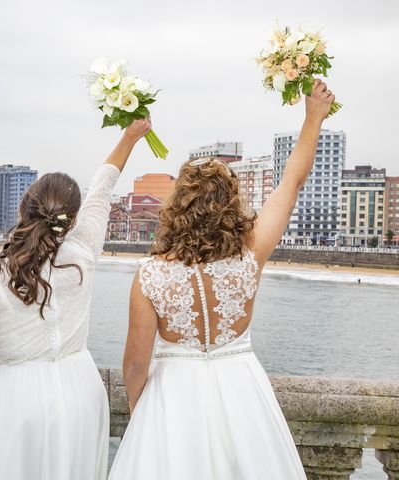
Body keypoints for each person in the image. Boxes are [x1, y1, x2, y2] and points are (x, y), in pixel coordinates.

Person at [108, 81, 335, 480]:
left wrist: (143, 412)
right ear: (231, 203)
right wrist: (312, 117)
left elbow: (136, 362)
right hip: (242, 391)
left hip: (173, 400)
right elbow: (291, 182)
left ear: (178, 206)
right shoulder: (251, 255)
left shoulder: (151, 274)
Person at [0, 118, 152, 480]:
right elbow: (102, 189)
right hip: (80, 393)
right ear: (73, 219)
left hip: (16, 397)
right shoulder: (84, 253)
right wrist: (130, 137)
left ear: (24, 208)